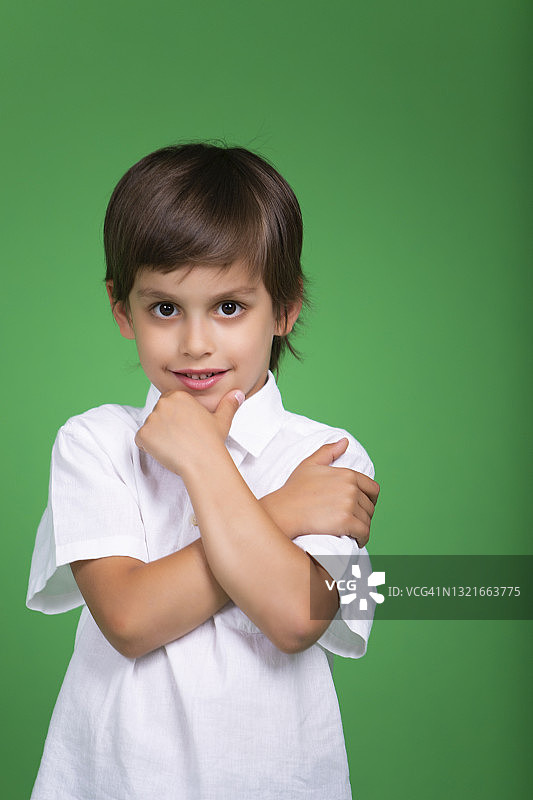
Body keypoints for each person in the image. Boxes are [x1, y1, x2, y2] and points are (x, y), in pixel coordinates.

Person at [26, 142, 380, 799]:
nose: (195, 343)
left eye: (228, 307)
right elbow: (128, 621)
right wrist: (276, 511)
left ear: (285, 308)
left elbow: (300, 618)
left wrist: (202, 461)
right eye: (165, 308)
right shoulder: (93, 442)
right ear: (119, 308)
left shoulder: (332, 456)